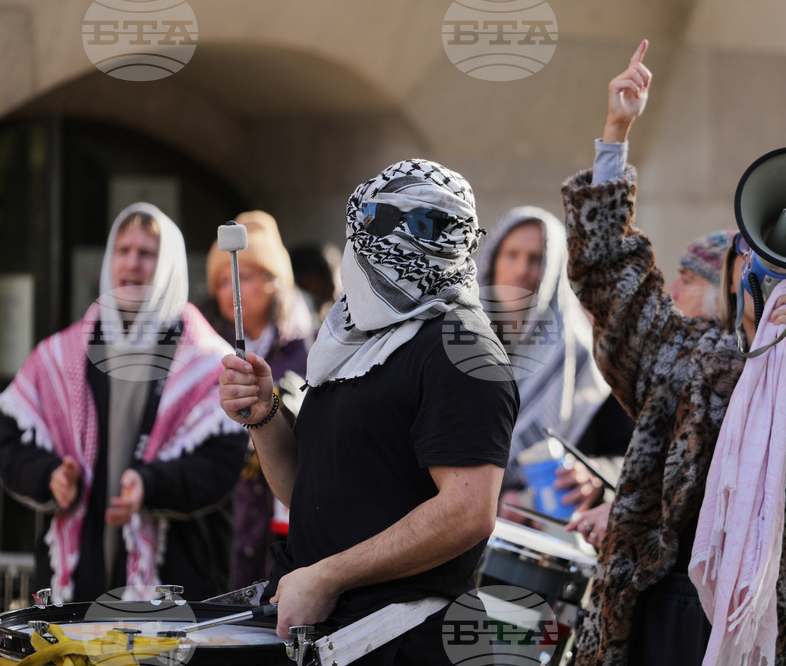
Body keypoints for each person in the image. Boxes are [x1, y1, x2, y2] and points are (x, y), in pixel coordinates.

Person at [561, 41, 786, 666]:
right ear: (732, 269)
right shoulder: (689, 359)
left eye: (784, 263)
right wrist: (616, 135)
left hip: (784, 636)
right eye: (752, 254)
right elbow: (613, 283)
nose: (765, 272)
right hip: (668, 620)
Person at [218, 159, 518, 662]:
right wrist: (264, 415)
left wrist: (326, 577)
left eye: (373, 227)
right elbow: (313, 495)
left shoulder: (462, 348)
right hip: (330, 639)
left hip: (408, 645)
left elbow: (468, 512)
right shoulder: (354, 343)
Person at [0, 203, 248, 603]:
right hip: (78, 590)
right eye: (123, 250)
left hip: (174, 594)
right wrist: (49, 477)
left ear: (169, 264)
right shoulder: (61, 354)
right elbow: (8, 437)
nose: (132, 263)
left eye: (146, 253)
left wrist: (149, 487)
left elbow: (221, 462)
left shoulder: (207, 361)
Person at [570, 229, 736, 547]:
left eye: (687, 280)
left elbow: (704, 500)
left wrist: (627, 518)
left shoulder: (730, 386)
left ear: (724, 295)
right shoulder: (682, 370)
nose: (672, 291)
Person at [475, 206, 633, 524]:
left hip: (545, 548)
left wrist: (594, 477)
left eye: (535, 259)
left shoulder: (591, 361)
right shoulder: (459, 345)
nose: (521, 269)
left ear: (555, 269)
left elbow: (630, 459)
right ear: (492, 261)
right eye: (512, 254)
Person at [200, 210, 314, 590]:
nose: (228, 290)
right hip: (227, 512)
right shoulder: (206, 350)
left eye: (242, 277)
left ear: (273, 281)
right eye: (220, 282)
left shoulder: (308, 348)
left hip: (283, 510)